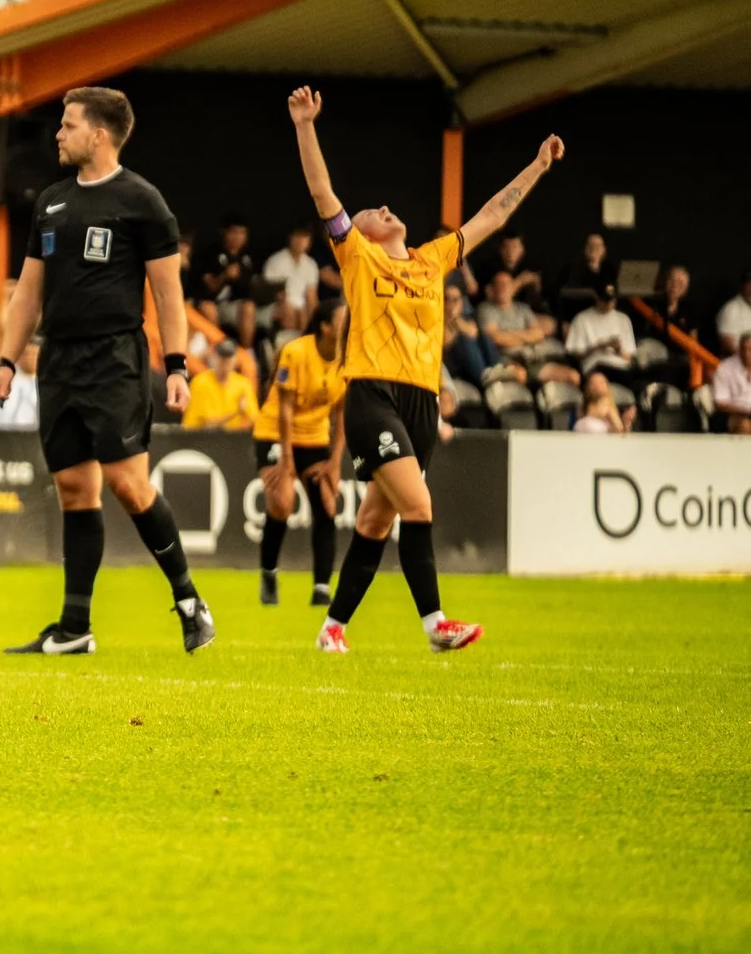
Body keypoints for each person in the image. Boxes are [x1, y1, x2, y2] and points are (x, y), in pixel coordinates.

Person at [291, 85, 561, 655]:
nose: (382, 208)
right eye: (370, 212)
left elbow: (491, 215)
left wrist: (537, 166)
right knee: (419, 507)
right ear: (358, 234)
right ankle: (436, 624)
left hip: (421, 401)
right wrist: (305, 124)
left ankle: (332, 628)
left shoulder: (432, 260)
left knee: (373, 523)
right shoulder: (357, 257)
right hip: (373, 397)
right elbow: (321, 189)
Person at [0, 85, 213, 656]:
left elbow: (169, 295)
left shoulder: (142, 201)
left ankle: (190, 600)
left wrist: (177, 366)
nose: (58, 135)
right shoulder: (50, 201)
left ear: (99, 134)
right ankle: (74, 629)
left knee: (126, 483)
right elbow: (28, 294)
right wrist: (4, 359)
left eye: (68, 126)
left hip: (115, 357)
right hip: (59, 361)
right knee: (73, 486)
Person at [254, 303, 348, 608]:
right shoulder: (296, 352)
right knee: (282, 503)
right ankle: (268, 574)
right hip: (274, 432)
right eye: (343, 317)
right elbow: (283, 409)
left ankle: (321, 588)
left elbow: (343, 413)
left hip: (315, 436)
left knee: (327, 503)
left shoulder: (350, 358)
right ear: (325, 326)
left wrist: (335, 463)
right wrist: (287, 462)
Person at [195, 217, 259, 348]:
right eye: (234, 232)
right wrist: (224, 276)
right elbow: (207, 288)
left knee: (248, 307)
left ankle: (247, 354)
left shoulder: (247, 258)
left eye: (242, 233)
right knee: (208, 308)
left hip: (232, 307)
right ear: (225, 232)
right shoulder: (210, 253)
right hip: (211, 304)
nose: (238, 237)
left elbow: (249, 290)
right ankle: (219, 350)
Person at [564, 281, 637, 383]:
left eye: (612, 300)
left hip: (620, 368)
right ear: (597, 298)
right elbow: (575, 354)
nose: (609, 304)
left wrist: (618, 349)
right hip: (595, 368)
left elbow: (629, 356)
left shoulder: (623, 319)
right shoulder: (582, 319)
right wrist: (598, 346)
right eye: (605, 300)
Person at [181, 336, 257, 432]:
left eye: (229, 357)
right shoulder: (200, 382)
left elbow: (253, 419)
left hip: (233, 439)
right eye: (222, 357)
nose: (225, 362)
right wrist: (236, 412)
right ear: (214, 358)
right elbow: (206, 424)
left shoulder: (243, 384)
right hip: (201, 438)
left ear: (235, 360)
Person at [260, 225, 320, 335]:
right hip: (276, 306)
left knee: (308, 313)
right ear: (290, 238)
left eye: (304, 237)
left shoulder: (311, 264)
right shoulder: (276, 260)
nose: (300, 241)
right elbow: (271, 292)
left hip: (301, 309)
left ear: (309, 241)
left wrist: (316, 318)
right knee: (289, 310)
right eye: (297, 237)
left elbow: (311, 296)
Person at [555, 232, 613, 323]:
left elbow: (611, 292)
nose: (594, 248)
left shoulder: (609, 271)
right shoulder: (573, 269)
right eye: (591, 245)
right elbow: (561, 294)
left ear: (604, 250)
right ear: (585, 249)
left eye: (598, 246)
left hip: (604, 316)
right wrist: (564, 321)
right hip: (577, 317)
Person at [0, 340, 40, 432]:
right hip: (5, 438)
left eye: (33, 354)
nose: (29, 357)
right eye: (25, 353)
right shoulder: (6, 379)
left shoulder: (51, 383)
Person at [711, 334, 751, 435]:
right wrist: (745, 410)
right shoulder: (725, 368)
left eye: (750, 349)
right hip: (730, 414)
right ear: (739, 349)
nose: (747, 353)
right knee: (745, 425)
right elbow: (720, 404)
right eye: (743, 349)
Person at [716, 271, 751, 355]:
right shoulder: (730, 309)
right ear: (743, 286)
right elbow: (729, 346)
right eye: (749, 284)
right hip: (738, 363)